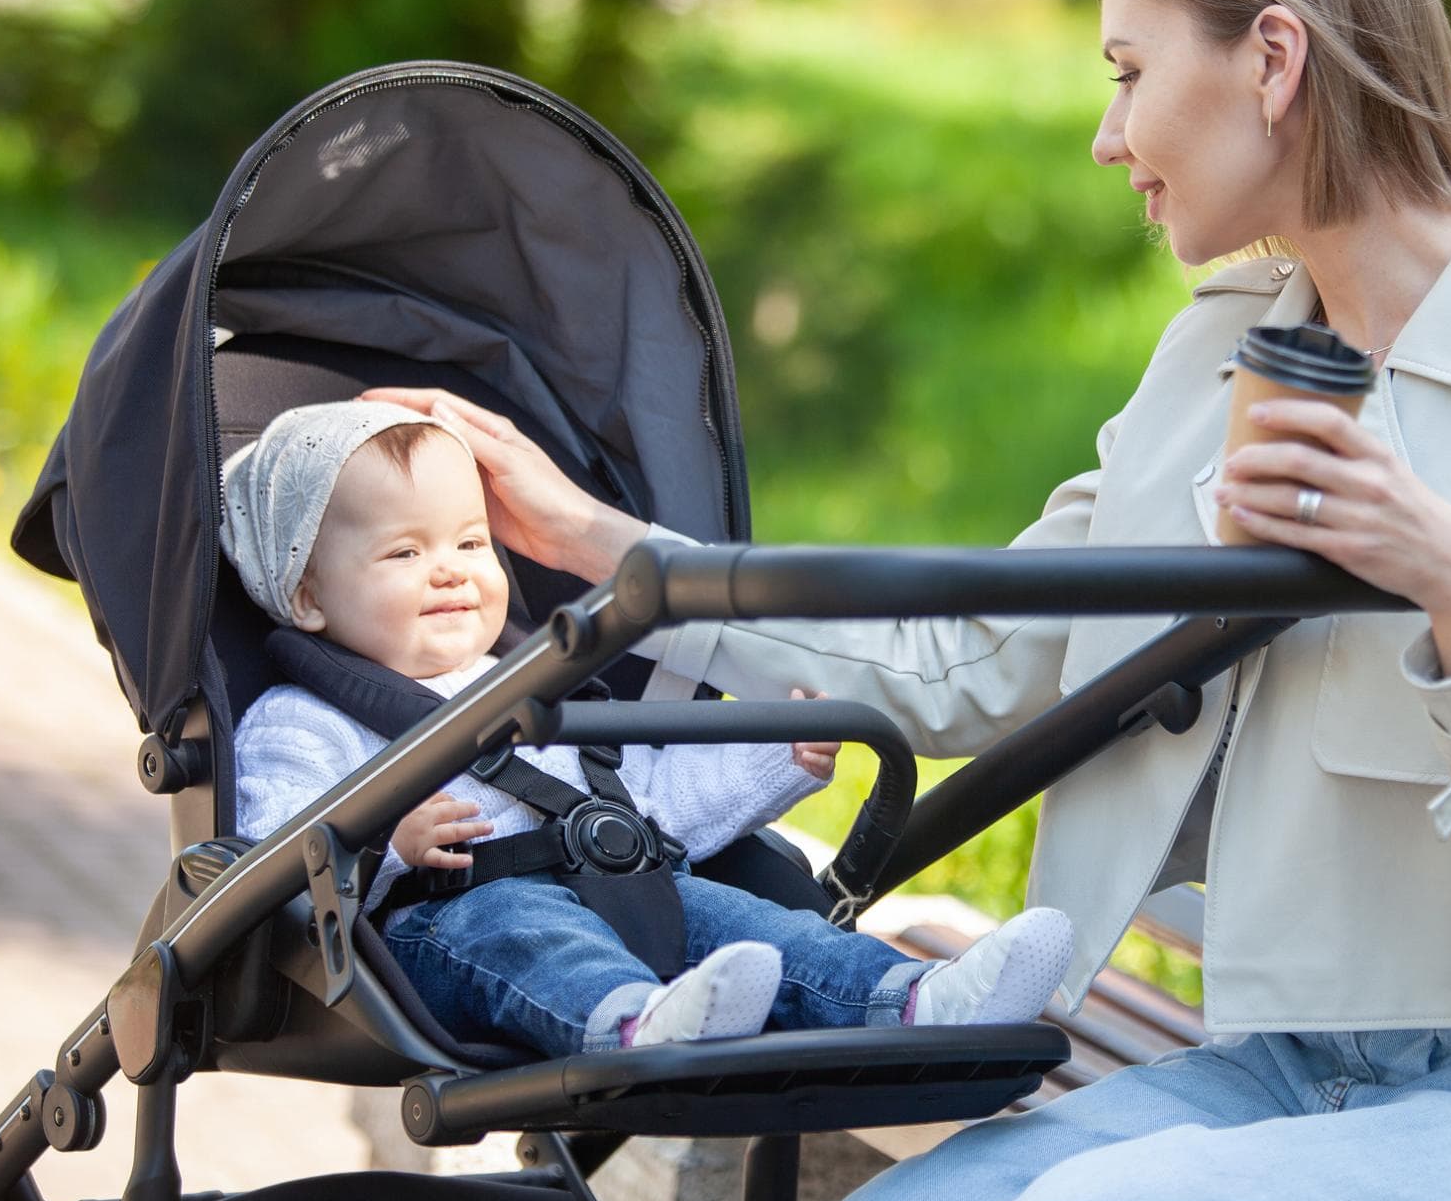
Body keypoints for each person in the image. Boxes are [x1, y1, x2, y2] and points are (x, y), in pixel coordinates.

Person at [366, 0, 1451, 1201]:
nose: (1106, 135)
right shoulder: (1221, 362)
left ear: (1273, 60)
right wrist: (599, 543)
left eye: (1130, 73)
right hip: (1287, 1072)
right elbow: (974, 655)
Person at [220, 399, 1075, 1057]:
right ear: (307, 595)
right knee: (526, 927)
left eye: (472, 544)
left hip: (615, 887)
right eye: (405, 553)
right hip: (438, 934)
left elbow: (644, 803)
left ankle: (915, 997)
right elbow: (271, 861)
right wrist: (384, 838)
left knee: (741, 918)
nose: (449, 572)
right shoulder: (304, 721)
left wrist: (776, 756)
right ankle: (633, 1025)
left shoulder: (530, 685)